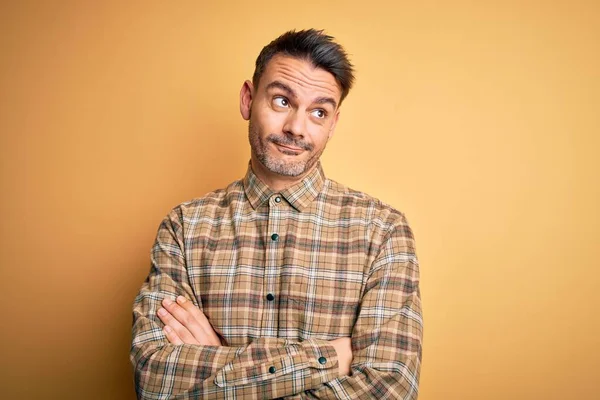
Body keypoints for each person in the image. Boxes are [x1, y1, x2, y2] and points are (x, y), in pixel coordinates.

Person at [130, 29, 423, 399]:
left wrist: (218, 358)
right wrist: (328, 358)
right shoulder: (184, 228)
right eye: (282, 101)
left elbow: (390, 389)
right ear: (248, 100)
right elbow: (154, 381)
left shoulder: (382, 231)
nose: (296, 128)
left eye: (319, 111)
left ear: (333, 123)